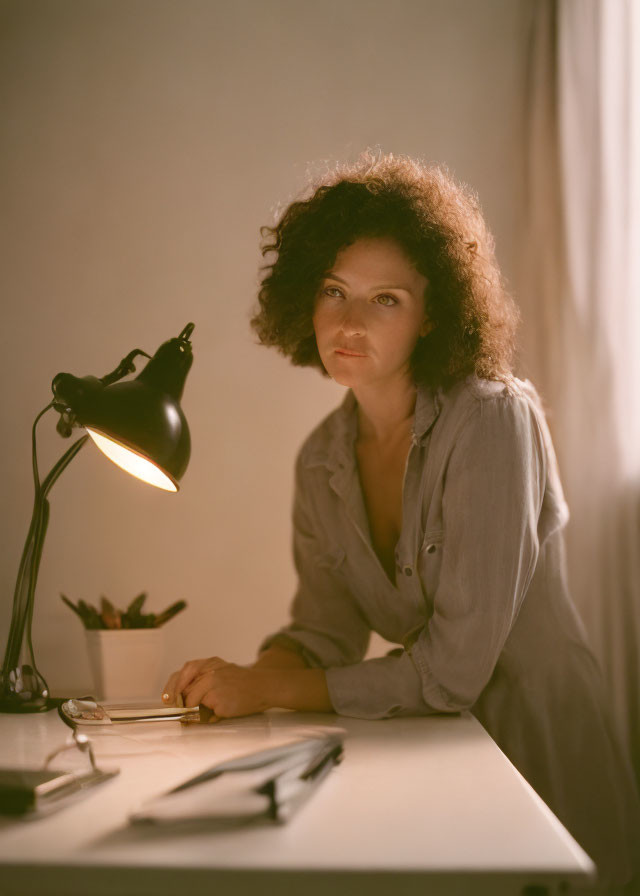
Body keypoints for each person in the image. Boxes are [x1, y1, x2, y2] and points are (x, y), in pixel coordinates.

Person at [162, 151, 640, 888]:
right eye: (333, 291)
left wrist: (268, 691)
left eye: (385, 298)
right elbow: (326, 633)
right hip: (431, 752)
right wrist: (235, 683)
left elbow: (452, 672)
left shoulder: (492, 420)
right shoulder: (319, 460)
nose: (349, 321)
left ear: (431, 316)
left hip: (540, 751)